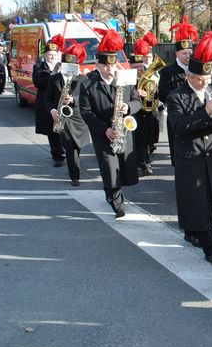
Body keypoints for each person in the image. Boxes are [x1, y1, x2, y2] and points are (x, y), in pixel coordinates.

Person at [166, 31, 212, 264]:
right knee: (197, 201)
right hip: (190, 157)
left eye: (207, 78)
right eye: (199, 79)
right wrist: (205, 113)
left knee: (209, 199)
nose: (204, 83)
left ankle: (191, 229)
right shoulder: (176, 97)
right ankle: (211, 248)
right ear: (189, 76)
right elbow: (180, 127)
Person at [79, 28, 142, 218]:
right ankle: (116, 201)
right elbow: (86, 112)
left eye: (112, 66)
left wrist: (128, 107)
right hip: (103, 133)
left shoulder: (125, 79)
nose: (110, 70)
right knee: (109, 168)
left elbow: (138, 100)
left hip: (123, 130)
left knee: (123, 168)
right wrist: (104, 129)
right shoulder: (87, 83)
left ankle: (115, 193)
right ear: (98, 64)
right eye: (106, 66)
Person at [44, 41, 91, 186]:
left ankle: (74, 167)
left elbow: (87, 98)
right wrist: (52, 110)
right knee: (70, 147)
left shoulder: (83, 79)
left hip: (78, 119)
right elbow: (47, 98)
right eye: (66, 67)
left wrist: (73, 99)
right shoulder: (54, 79)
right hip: (62, 119)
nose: (69, 70)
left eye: (72, 67)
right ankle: (74, 176)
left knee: (76, 147)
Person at [159, 16, 198, 165]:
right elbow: (163, 93)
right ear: (176, 54)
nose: (188, 56)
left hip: (195, 111)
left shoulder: (196, 68)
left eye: (190, 52)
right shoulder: (167, 71)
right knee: (177, 144)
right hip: (177, 113)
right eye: (184, 53)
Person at [130, 32, 161, 176]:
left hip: (150, 109)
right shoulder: (129, 75)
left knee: (149, 137)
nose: (140, 69)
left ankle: (143, 159)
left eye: (141, 66)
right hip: (136, 111)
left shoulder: (153, 73)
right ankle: (144, 164)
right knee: (140, 139)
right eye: (136, 66)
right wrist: (136, 91)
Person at [33, 35, 66, 166]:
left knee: (64, 129)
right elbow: (38, 83)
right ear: (45, 55)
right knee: (51, 131)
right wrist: (52, 76)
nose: (52, 57)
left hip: (61, 102)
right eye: (49, 54)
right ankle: (57, 156)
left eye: (54, 54)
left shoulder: (63, 66)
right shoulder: (39, 67)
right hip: (46, 103)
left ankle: (66, 151)